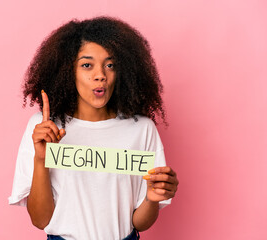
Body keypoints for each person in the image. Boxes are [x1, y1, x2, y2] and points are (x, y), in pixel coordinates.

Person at [9, 16, 179, 240]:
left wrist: (152, 198)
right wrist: (42, 159)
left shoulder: (142, 130)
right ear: (69, 71)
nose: (100, 75)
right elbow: (40, 220)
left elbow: (139, 222)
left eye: (110, 65)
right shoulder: (44, 128)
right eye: (87, 65)